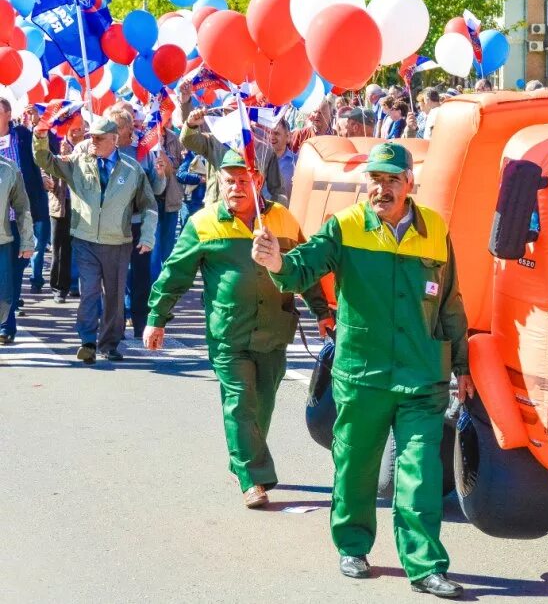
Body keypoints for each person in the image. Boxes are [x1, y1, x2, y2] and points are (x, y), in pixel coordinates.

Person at [252, 141, 472, 599]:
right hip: (363, 375)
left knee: (420, 474)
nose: (382, 188)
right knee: (356, 466)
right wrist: (277, 262)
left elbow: (449, 303)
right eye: (375, 179)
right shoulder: (346, 227)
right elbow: (302, 268)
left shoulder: (435, 230)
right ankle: (352, 546)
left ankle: (426, 565)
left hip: (422, 377)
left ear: (411, 184)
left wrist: (463, 366)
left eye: (392, 179)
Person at [145, 150, 332, 509]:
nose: (236, 187)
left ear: (258, 182)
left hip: (274, 332)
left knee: (262, 404)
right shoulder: (203, 223)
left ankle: (242, 458)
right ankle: (253, 479)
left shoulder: (282, 220)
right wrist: (157, 318)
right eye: (229, 180)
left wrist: (321, 313)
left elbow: (303, 270)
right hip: (228, 333)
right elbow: (174, 275)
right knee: (240, 403)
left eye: (243, 180)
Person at [34, 116, 157, 364]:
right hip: (85, 240)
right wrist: (40, 137)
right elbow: (45, 160)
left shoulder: (133, 169)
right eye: (91, 137)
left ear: (114, 139)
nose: (93, 141)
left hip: (118, 242)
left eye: (99, 138)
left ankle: (109, 344)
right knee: (89, 292)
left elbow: (149, 206)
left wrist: (146, 235)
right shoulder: (78, 162)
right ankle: (87, 341)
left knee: (114, 296)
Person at [107, 106, 168, 338]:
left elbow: (156, 190)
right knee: (115, 275)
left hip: (138, 222)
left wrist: (160, 174)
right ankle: (117, 323)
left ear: (129, 129)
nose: (115, 131)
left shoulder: (143, 152)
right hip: (112, 224)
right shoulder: (104, 151)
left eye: (119, 127)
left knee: (140, 276)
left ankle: (141, 323)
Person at [177, 84, 286, 206]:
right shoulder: (215, 140)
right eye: (227, 111)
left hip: (251, 214)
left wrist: (277, 215)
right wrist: (191, 124)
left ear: (247, 114)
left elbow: (278, 189)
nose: (232, 116)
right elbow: (188, 140)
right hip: (217, 211)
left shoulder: (264, 148)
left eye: (236, 111)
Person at [0, 99, 48, 344]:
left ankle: (6, 320)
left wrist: (39, 126)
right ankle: (6, 325)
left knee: (14, 273)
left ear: (8, 114)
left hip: (19, 217)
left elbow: (41, 156)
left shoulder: (22, 135)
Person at [45, 118, 86, 303]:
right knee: (59, 247)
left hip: (82, 205)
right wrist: (62, 159)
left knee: (79, 246)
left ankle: (74, 284)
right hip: (61, 203)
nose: (77, 133)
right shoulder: (56, 145)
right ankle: (58, 288)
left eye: (80, 129)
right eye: (74, 129)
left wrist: (73, 159)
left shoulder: (87, 148)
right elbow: (45, 169)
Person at [0, 156, 34, 344]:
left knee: (4, 299)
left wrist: (27, 241)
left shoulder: (9, 168)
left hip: (2, 241)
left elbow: (22, 208)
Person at [151, 125, 186, 278]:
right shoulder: (145, 137)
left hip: (171, 199)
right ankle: (153, 282)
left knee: (167, 247)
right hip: (151, 202)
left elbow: (182, 167)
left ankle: (166, 281)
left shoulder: (174, 138)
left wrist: (167, 161)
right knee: (154, 246)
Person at [268, 118, 298, 201]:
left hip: (285, 212)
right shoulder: (259, 160)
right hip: (262, 212)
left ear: (288, 137)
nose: (271, 137)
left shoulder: (297, 163)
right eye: (269, 133)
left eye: (276, 134)